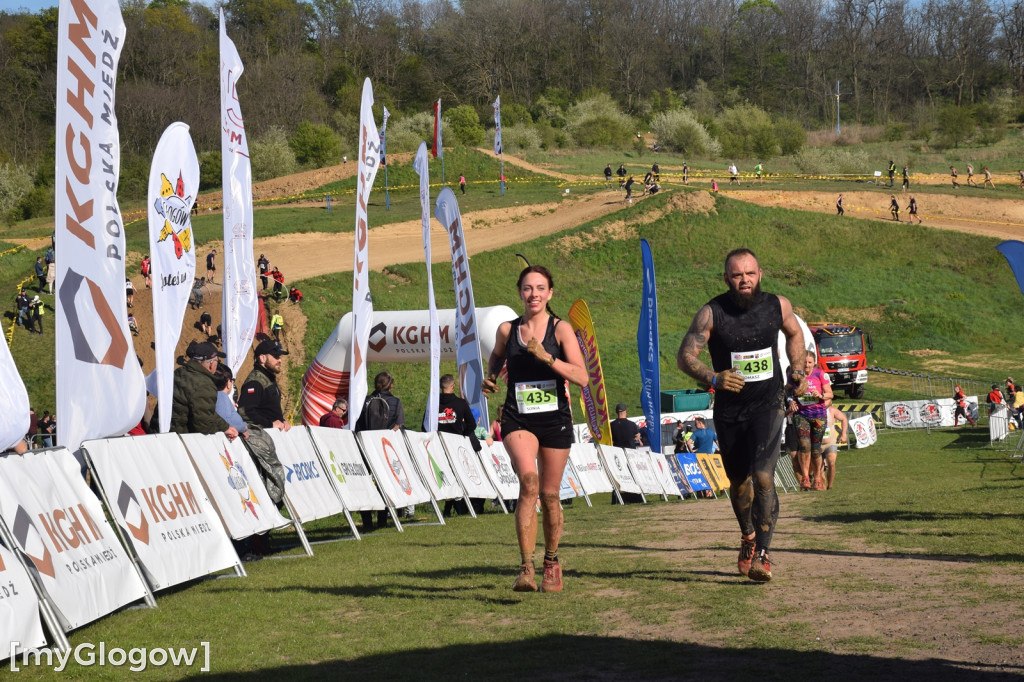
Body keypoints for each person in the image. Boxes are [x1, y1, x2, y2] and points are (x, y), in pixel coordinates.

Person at [676, 248, 808, 583]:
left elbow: (795, 334)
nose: (744, 280)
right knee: (739, 483)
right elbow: (685, 355)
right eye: (737, 275)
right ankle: (748, 536)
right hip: (730, 409)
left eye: (750, 273)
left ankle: (763, 554)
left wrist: (796, 369)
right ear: (727, 278)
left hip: (770, 402)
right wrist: (714, 378)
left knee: (763, 476)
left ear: (760, 274)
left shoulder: (778, 305)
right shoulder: (712, 312)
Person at [481, 265, 587, 593]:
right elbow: (497, 358)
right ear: (520, 293)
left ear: (550, 293)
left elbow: (582, 377)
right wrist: (490, 377)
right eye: (528, 288)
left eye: (540, 288)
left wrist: (547, 359)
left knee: (550, 495)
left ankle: (551, 562)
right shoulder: (506, 330)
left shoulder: (561, 330)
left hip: (555, 420)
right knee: (529, 483)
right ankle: (526, 567)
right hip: (518, 418)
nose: (534, 294)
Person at [235, 339, 289, 508]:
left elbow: (269, 410)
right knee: (269, 495)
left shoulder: (268, 379)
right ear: (262, 358)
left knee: (275, 494)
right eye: (275, 356)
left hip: (269, 443)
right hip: (259, 445)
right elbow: (245, 411)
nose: (279, 359)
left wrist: (282, 422)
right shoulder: (255, 382)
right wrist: (270, 424)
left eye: (279, 356)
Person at [355, 370, 406, 529]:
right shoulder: (396, 402)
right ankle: (383, 519)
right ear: (390, 385)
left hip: (365, 447)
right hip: (385, 448)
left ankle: (366, 521)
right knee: (385, 483)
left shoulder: (365, 401)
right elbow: (398, 426)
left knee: (365, 484)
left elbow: (358, 425)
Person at [166, 342, 238, 440]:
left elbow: (206, 412)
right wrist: (222, 434)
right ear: (212, 364)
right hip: (178, 440)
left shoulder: (179, 372)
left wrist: (225, 427)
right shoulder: (205, 385)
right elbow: (204, 427)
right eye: (218, 361)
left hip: (163, 433)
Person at [435, 374, 483, 517]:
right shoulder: (461, 403)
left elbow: (425, 425)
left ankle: (448, 509)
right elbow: (472, 424)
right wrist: (463, 434)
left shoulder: (434, 403)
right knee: (458, 476)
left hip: (439, 444)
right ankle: (456, 509)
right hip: (456, 444)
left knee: (446, 477)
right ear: (453, 386)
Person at [794, 350, 832, 491]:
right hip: (801, 414)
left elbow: (830, 394)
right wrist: (791, 400)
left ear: (814, 363)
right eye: (804, 362)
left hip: (818, 415)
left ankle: (817, 477)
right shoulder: (795, 375)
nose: (807, 365)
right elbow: (787, 391)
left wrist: (820, 395)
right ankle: (805, 478)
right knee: (804, 445)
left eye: (809, 362)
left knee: (816, 449)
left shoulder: (820, 374)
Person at [610, 402, 644, 503]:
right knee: (631, 477)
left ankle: (617, 499)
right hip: (629, 455)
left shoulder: (611, 425)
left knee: (618, 478)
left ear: (616, 412)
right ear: (626, 412)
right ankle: (633, 497)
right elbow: (637, 437)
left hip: (616, 455)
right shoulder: (632, 425)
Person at [213, 363, 249, 440]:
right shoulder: (221, 397)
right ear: (229, 383)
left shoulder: (219, 396)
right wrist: (244, 428)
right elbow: (225, 423)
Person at [820, 406, 848, 490]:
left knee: (831, 463)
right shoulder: (811, 409)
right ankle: (823, 486)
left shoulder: (831, 410)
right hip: (817, 444)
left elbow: (844, 419)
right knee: (819, 468)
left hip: (830, 443)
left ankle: (830, 486)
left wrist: (843, 435)